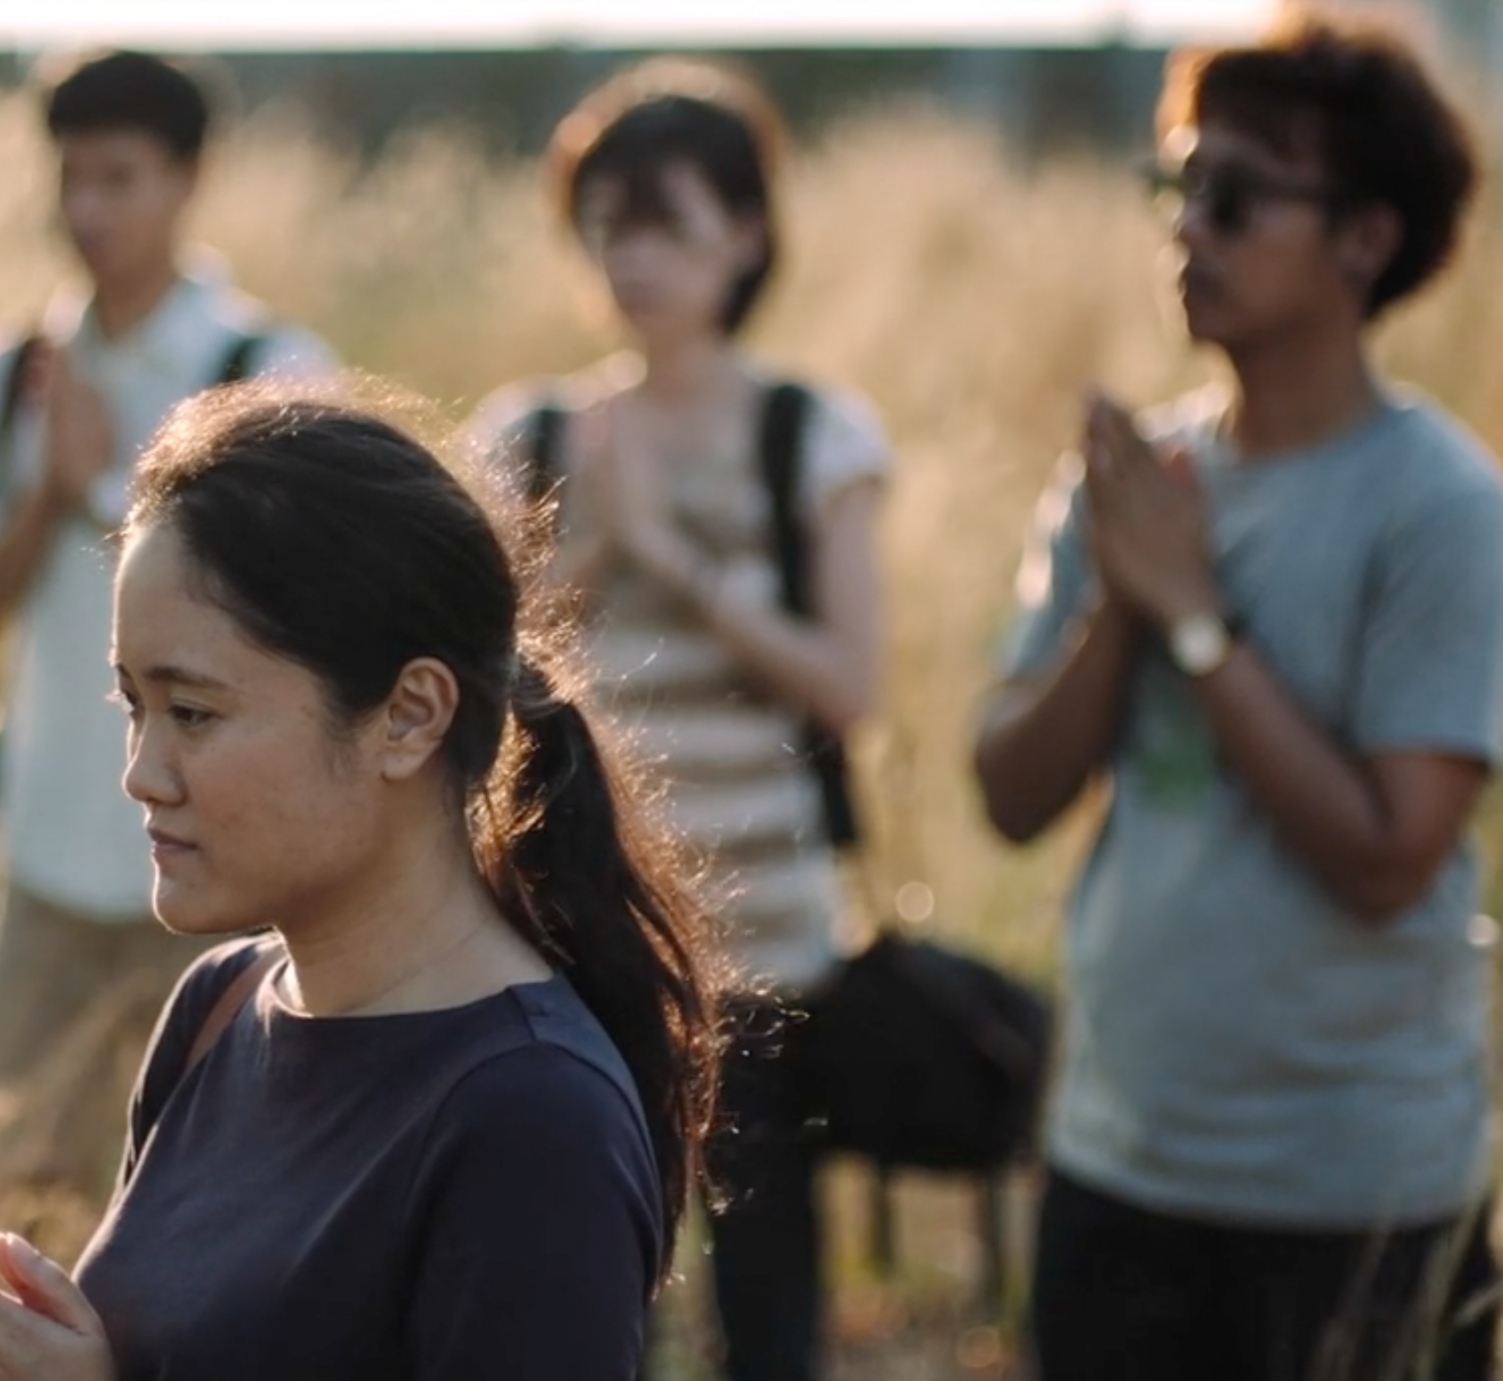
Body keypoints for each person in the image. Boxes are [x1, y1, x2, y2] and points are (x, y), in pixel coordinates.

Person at [0, 384, 724, 1379]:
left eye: (194, 713)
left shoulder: (531, 1120)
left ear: (407, 716)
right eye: (133, 704)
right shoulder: (217, 1005)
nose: (141, 771)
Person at [970, 11, 1503, 1380]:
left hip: (1352, 1197)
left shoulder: (1441, 509)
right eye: (1176, 186)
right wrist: (1126, 595)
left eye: (1234, 198)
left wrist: (1200, 624)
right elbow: (1009, 791)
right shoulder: (1133, 484)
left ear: (1365, 240)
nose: (1189, 231)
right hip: (1116, 1165)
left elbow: (1390, 856)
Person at [469, 59, 886, 1381]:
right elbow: (475, 681)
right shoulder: (525, 431)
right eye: (607, 224)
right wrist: (587, 557)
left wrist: (675, 554)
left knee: (768, 1297)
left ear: (747, 235)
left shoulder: (807, 432)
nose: (631, 257)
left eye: (668, 223)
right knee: (589, 1291)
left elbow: (849, 687)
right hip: (571, 927)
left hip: (767, 943)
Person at [0, 48, 335, 1184]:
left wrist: (102, 491)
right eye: (68, 179)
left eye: (118, 178)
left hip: (219, 864)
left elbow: (295, 617)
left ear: (188, 179)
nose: (86, 210)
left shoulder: (269, 371)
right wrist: (49, 491)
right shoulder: (14, 369)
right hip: (44, 845)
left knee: (205, 1199)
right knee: (18, 1181)